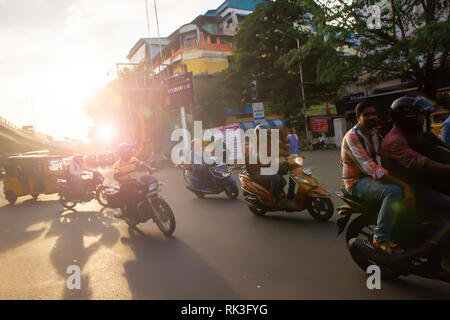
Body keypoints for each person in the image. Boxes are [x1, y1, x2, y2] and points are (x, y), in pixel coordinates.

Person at [381, 97, 450, 271]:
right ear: (408, 117)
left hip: (425, 181)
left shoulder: (415, 134)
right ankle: (445, 259)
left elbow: (440, 148)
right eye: (419, 115)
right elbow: (422, 162)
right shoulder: (395, 141)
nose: (422, 119)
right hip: (411, 188)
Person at [341, 101, 415, 255]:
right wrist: (404, 185)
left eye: (374, 114)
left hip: (371, 178)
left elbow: (387, 154)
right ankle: (380, 237)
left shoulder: (374, 134)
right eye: (366, 115)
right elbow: (371, 167)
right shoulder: (352, 137)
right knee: (394, 191)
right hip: (357, 182)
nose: (371, 117)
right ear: (358, 117)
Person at [245, 124, 290, 206]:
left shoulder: (268, 142)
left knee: (288, 168)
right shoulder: (255, 146)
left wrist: (290, 155)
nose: (266, 134)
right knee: (275, 175)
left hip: (267, 168)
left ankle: (289, 195)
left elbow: (277, 150)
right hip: (258, 171)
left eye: (266, 133)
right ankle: (276, 197)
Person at [113, 143, 156, 219]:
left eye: (130, 152)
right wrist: (123, 179)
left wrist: (150, 169)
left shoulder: (133, 159)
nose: (129, 153)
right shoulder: (117, 165)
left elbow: (141, 164)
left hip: (135, 182)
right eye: (128, 152)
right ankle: (131, 215)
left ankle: (149, 207)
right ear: (122, 154)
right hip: (125, 185)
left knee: (147, 189)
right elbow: (115, 176)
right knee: (131, 197)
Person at [286, 127, 300, 199]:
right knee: (295, 175)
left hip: (291, 158)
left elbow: (287, 147)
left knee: (293, 176)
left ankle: (290, 193)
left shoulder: (287, 137)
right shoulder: (296, 136)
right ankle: (291, 193)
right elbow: (297, 146)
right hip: (297, 158)